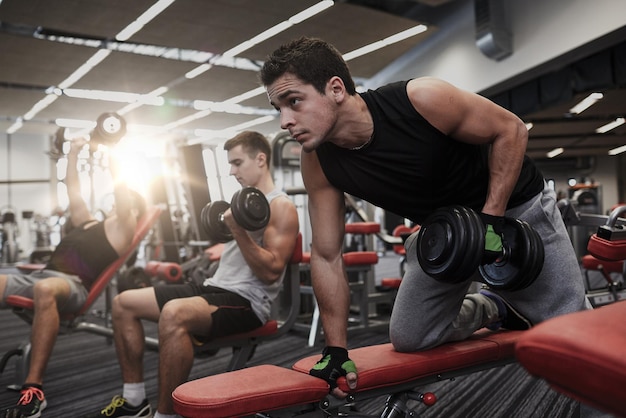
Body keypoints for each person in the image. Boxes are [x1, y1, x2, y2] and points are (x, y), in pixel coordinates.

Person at [260, 36, 590, 398]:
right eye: (278, 108)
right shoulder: (318, 162)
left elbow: (510, 129)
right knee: (412, 337)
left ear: (335, 88)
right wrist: (337, 350)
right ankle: (493, 306)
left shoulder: (421, 100)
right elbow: (326, 254)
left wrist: (490, 222)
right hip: (446, 232)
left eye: (294, 102)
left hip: (515, 211)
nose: (284, 121)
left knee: (579, 342)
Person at [87, 131, 299, 418]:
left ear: (260, 159)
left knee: (174, 313)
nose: (231, 171)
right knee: (123, 303)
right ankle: (135, 400)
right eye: (230, 164)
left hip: (249, 302)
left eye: (237, 163)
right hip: (214, 287)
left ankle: (166, 415)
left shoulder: (280, 205)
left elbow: (272, 272)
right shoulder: (244, 203)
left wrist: (237, 230)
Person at [0, 138, 146, 418]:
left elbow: (121, 191)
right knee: (35, 284)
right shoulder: (90, 221)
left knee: (44, 289)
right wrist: (74, 152)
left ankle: (33, 391)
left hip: (72, 286)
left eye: (122, 203)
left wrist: (113, 154)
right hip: (42, 277)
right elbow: (74, 190)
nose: (115, 203)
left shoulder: (123, 229)